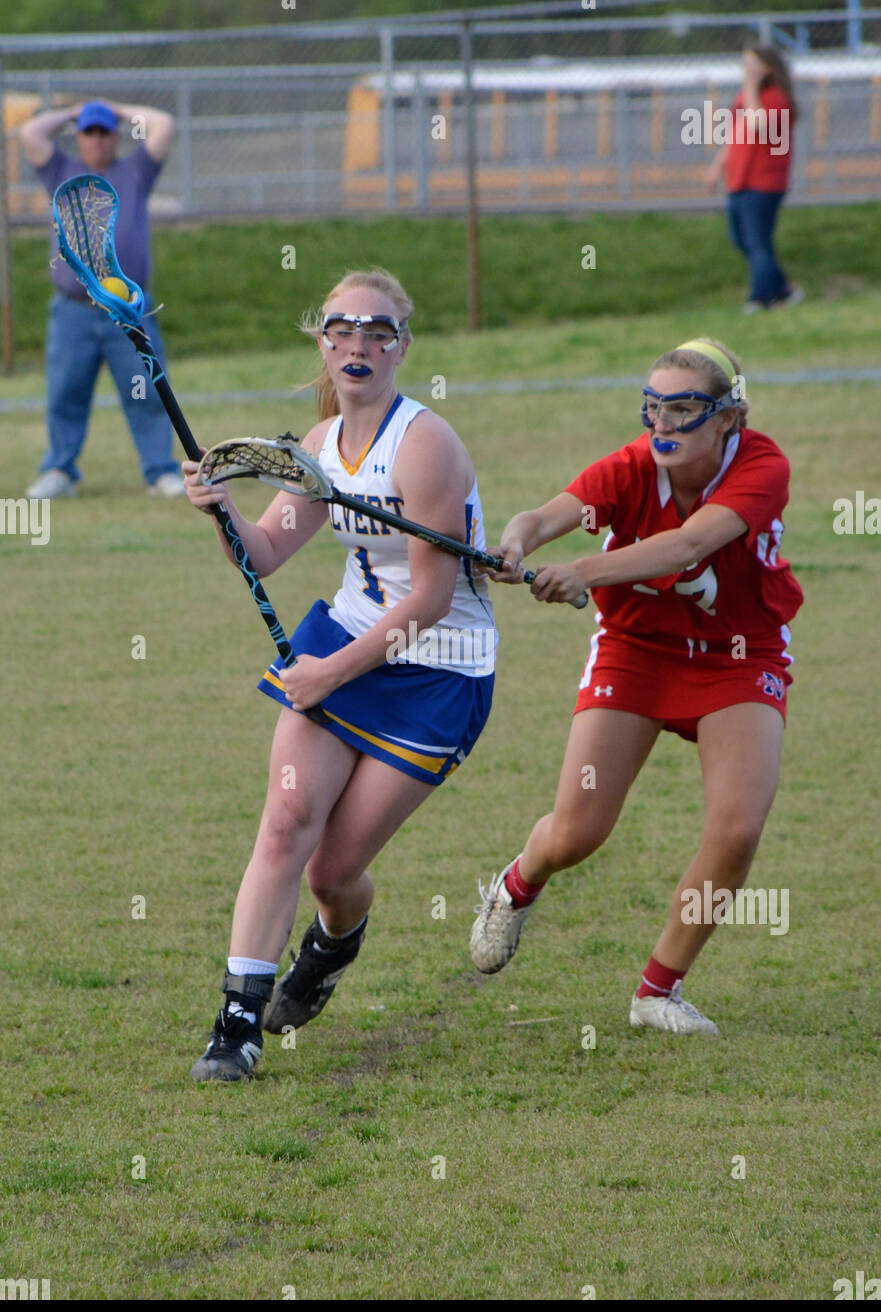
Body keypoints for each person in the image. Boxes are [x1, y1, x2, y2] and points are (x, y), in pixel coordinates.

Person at [184, 269, 497, 1081]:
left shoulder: (425, 445)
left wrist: (326, 677)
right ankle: (237, 1024)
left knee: (333, 871)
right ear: (321, 340)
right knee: (287, 823)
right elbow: (263, 553)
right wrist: (222, 510)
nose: (359, 343)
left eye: (379, 329)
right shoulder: (319, 447)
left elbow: (429, 600)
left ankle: (330, 946)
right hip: (351, 639)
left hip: (436, 671)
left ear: (402, 346)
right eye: (341, 327)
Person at [471, 338, 803, 1035]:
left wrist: (586, 572)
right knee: (577, 833)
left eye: (683, 409)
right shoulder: (629, 467)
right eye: (652, 407)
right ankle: (514, 885)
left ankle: (657, 991)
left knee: (736, 829)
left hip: (736, 658)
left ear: (727, 417)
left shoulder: (762, 465)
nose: (662, 425)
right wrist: (514, 543)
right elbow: (542, 516)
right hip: (636, 653)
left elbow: (689, 545)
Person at [18, 98, 182, 499]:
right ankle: (60, 469)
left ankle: (160, 470)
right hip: (73, 309)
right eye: (88, 132)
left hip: (127, 311)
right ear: (79, 136)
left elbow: (165, 124)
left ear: (114, 136)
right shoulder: (62, 170)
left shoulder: (135, 171)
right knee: (65, 391)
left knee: (145, 387)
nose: (96, 139)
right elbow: (30, 134)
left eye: (103, 131)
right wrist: (74, 111)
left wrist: (118, 109)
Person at [705, 47, 802, 312]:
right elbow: (735, 135)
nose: (746, 68)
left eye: (753, 64)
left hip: (764, 182)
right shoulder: (746, 97)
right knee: (741, 239)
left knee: (758, 242)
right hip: (740, 180)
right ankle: (783, 290)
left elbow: (760, 125)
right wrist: (718, 166)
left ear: (767, 68)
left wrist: (751, 86)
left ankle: (760, 298)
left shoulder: (776, 98)